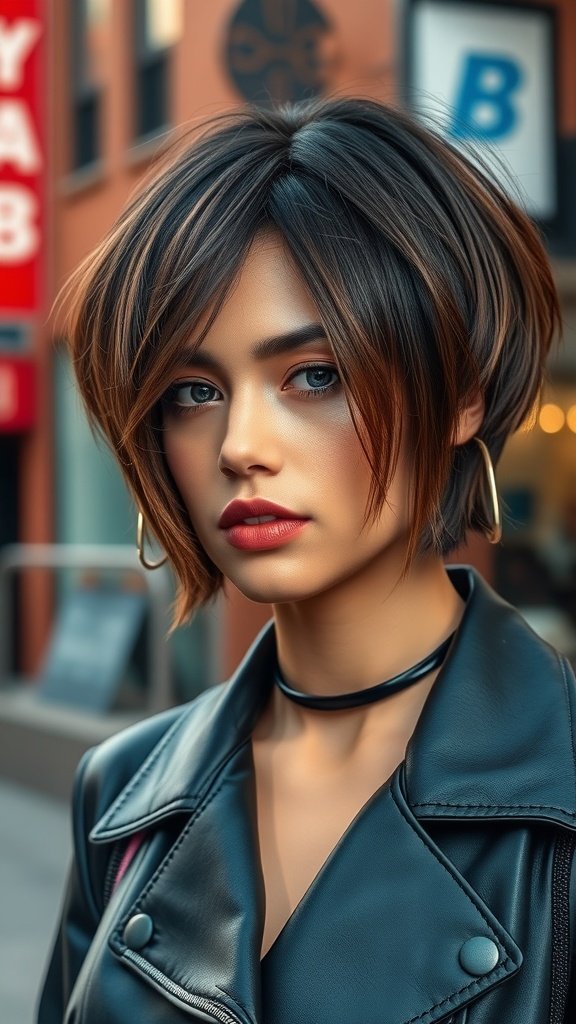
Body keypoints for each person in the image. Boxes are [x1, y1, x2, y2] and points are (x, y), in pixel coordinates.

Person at [38, 97, 576, 1024]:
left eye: (314, 375)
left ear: (460, 398)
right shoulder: (124, 793)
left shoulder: (557, 802)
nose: (240, 445)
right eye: (192, 391)